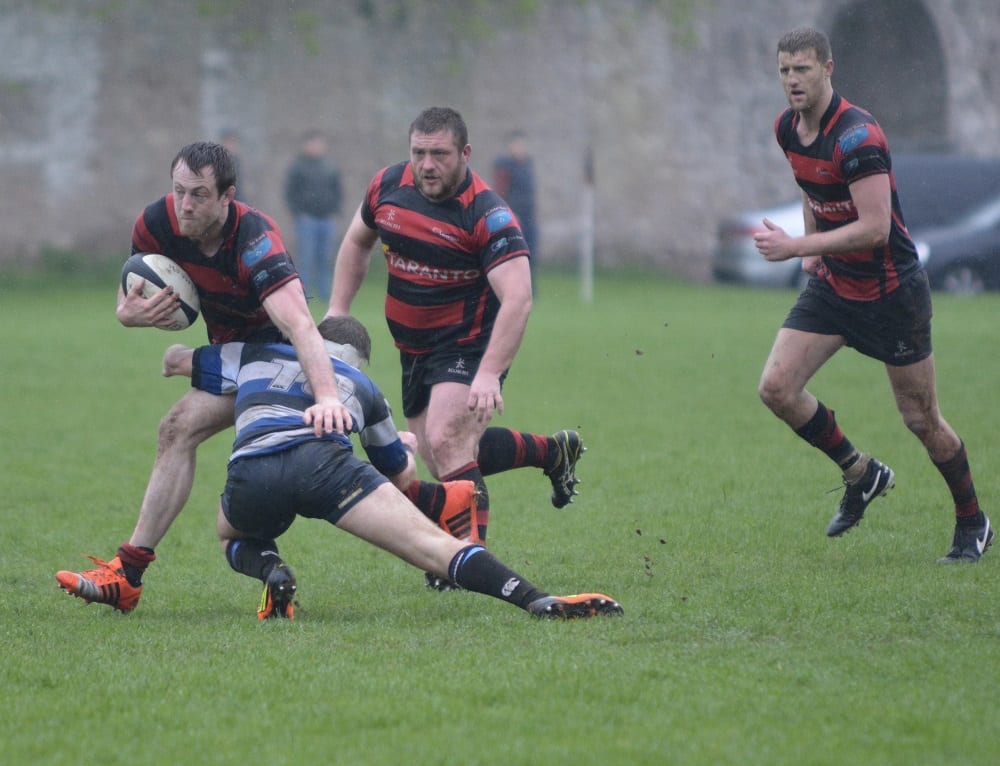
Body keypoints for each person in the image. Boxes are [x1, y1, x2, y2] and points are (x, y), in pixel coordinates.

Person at [158, 316, 623, 621]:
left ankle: (273, 572)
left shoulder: (256, 353)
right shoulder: (365, 387)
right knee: (433, 546)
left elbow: (174, 360)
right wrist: (401, 446)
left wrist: (178, 333)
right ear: (358, 362)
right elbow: (402, 479)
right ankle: (534, 599)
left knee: (231, 535)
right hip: (327, 469)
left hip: (251, 472)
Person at [56, 141, 352, 613]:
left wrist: (327, 397)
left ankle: (130, 575)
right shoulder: (156, 223)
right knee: (180, 428)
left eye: (198, 194)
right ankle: (128, 576)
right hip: (229, 358)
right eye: (178, 191)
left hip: (277, 361)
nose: (185, 205)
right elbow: (126, 298)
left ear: (226, 196)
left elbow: (297, 325)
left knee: (212, 437)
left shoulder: (254, 238)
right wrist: (127, 315)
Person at [754, 27, 993, 563]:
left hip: (891, 295)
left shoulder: (857, 137)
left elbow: (875, 228)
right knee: (776, 388)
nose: (793, 80)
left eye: (803, 70)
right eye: (785, 70)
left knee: (921, 420)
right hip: (835, 286)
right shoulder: (787, 129)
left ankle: (972, 521)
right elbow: (810, 185)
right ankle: (861, 473)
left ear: (828, 68)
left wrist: (798, 245)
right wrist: (815, 249)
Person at [327, 106, 583, 587]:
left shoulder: (487, 214)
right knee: (440, 449)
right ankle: (552, 452)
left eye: (439, 154)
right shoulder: (387, 188)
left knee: (446, 438)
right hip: (413, 347)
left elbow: (519, 298)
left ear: (465, 153)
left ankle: (466, 560)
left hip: (469, 342)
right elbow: (357, 242)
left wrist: (488, 373)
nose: (427, 164)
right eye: (419, 153)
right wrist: (337, 311)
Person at [284, 130, 343, 302]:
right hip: (307, 219)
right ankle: (304, 293)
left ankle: (325, 294)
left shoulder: (330, 167)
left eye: (319, 143)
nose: (316, 147)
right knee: (306, 258)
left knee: (325, 258)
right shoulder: (298, 167)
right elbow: (290, 193)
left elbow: (338, 191)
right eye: (313, 143)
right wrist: (298, 214)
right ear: (306, 145)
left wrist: (335, 212)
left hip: (326, 219)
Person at [492, 130, 538, 288]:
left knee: (531, 250)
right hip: (513, 217)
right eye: (517, 144)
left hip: (528, 217)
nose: (520, 148)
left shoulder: (527, 165)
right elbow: (500, 192)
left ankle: (529, 285)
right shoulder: (504, 166)